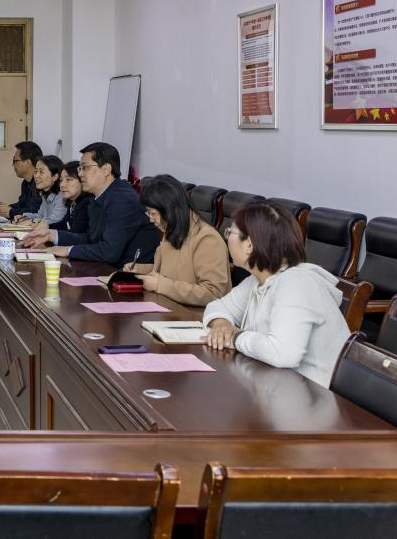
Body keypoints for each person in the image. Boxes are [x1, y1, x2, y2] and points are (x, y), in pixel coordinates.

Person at [202, 201, 350, 388]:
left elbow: (283, 353)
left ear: (249, 245)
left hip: (313, 395)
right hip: (277, 385)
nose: (227, 237)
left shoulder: (297, 283)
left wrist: (235, 337)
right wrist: (222, 325)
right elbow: (217, 306)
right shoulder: (259, 280)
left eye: (230, 232)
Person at [21, 142, 160, 265]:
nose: (80, 173)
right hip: (107, 268)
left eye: (85, 167)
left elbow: (109, 251)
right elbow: (90, 238)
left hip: (127, 276)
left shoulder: (122, 199)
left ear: (106, 170)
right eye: (80, 168)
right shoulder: (99, 197)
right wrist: (51, 235)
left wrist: (68, 250)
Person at [127, 174, 230, 306]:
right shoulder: (173, 229)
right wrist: (138, 270)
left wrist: (160, 285)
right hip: (168, 308)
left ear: (169, 209)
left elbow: (213, 293)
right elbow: (169, 272)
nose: (151, 219)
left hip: (194, 314)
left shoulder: (207, 239)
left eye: (153, 213)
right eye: (148, 213)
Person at [0, 141, 43, 218]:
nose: (12, 165)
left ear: (27, 162)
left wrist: (10, 211)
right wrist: (6, 207)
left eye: (15, 161)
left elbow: (34, 211)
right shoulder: (25, 183)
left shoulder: (40, 183)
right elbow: (22, 204)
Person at [17, 155, 67, 224]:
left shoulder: (61, 197)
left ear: (55, 177)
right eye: (36, 171)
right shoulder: (45, 195)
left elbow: (55, 220)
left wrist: (32, 221)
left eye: (41, 172)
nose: (36, 176)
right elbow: (40, 216)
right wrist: (24, 216)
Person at [49, 161, 92, 236]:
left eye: (68, 179)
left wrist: (49, 234)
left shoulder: (87, 203)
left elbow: (75, 234)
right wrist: (47, 227)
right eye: (61, 180)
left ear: (82, 180)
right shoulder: (73, 202)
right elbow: (65, 224)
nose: (62, 185)